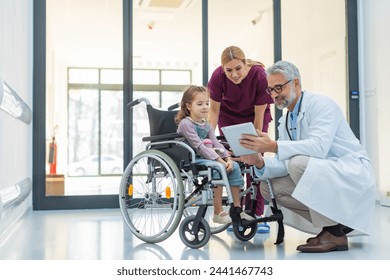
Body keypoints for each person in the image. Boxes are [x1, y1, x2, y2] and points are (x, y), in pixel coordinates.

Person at [234, 60, 376, 253]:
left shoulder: (321, 105)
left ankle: (334, 233)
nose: (275, 94)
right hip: (326, 178)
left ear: (296, 84)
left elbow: (318, 147)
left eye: (278, 87)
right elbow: (283, 164)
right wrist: (259, 161)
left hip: (350, 174)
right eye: (271, 90)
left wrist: (275, 146)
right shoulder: (285, 121)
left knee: (298, 163)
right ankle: (336, 226)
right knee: (269, 187)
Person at [207, 46, 274, 232]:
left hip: (255, 118)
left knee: (254, 162)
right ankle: (239, 212)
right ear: (222, 68)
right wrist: (210, 140)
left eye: (238, 68)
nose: (234, 74)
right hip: (228, 117)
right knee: (235, 162)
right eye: (229, 70)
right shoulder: (217, 77)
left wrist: (255, 143)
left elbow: (258, 115)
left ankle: (257, 214)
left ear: (245, 64)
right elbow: (213, 111)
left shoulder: (260, 75)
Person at [175, 85, 254, 224]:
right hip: (193, 158)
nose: (205, 107)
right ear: (188, 106)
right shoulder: (185, 124)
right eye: (199, 104)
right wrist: (220, 161)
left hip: (210, 157)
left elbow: (216, 143)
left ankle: (237, 209)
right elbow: (199, 146)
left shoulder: (206, 125)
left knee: (234, 166)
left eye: (207, 103)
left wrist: (228, 158)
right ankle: (218, 211)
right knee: (218, 167)